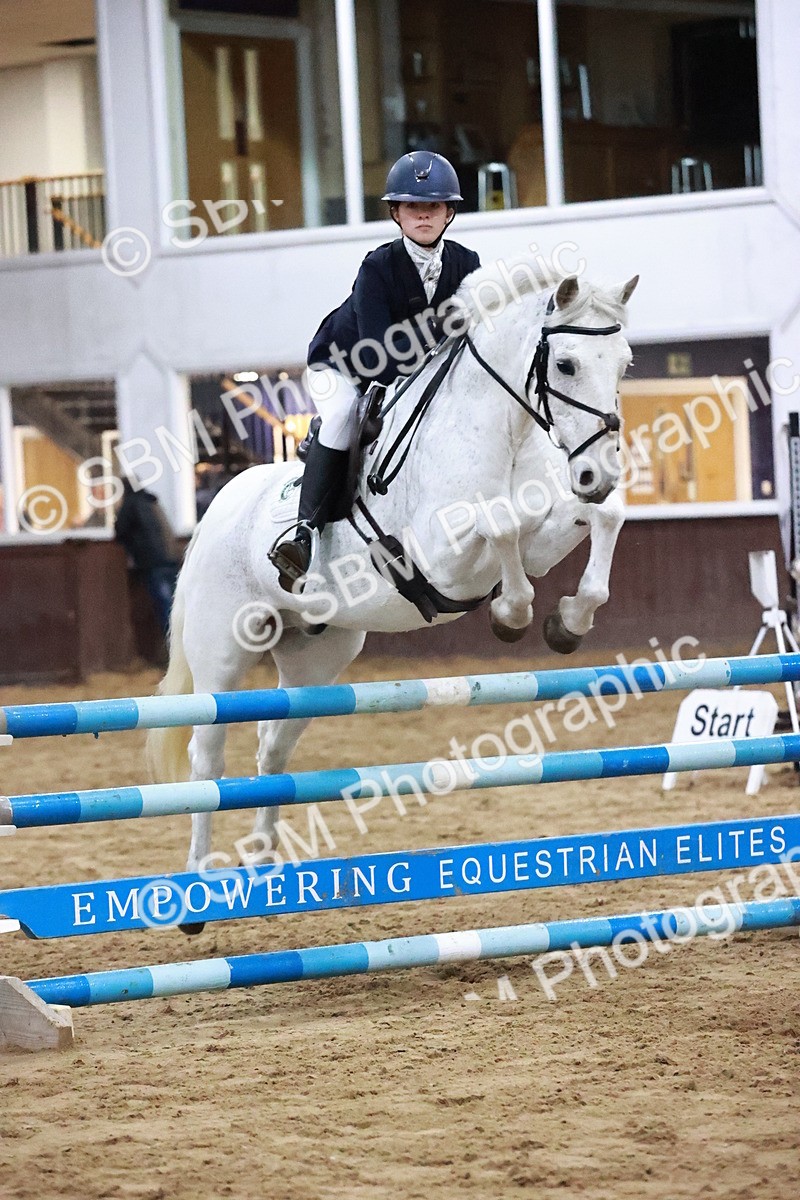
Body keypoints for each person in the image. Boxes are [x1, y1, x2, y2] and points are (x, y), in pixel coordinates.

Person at [269, 151, 481, 590]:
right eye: (412, 207)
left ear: (449, 213)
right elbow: (381, 354)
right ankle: (304, 534)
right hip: (345, 365)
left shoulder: (466, 263)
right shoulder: (377, 266)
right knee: (344, 416)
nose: (424, 215)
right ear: (396, 214)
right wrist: (441, 327)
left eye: (434, 206)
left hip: (411, 368)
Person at [115, 477, 181, 638]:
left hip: (154, 561)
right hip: (172, 558)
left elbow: (119, 530)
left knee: (166, 606)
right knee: (176, 606)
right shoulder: (151, 501)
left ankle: (175, 646)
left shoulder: (131, 503)